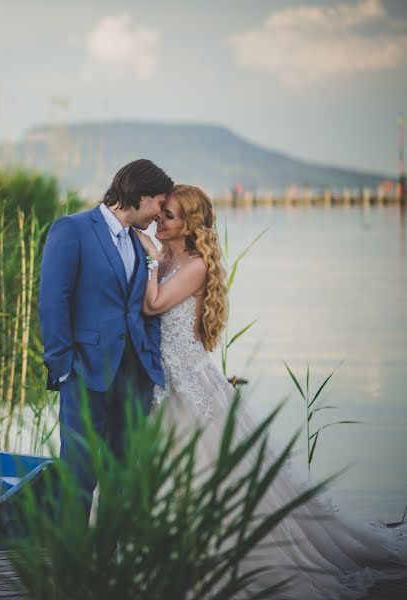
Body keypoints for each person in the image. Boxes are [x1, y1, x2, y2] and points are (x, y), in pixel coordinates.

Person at [135, 183, 407, 598]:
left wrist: (151, 258)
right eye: (161, 212)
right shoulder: (165, 253)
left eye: (168, 215)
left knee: (208, 475)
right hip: (163, 380)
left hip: (190, 384)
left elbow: (153, 306)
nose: (159, 218)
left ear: (188, 225)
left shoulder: (192, 264)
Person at [38, 158, 173, 517]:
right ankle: (71, 568)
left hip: (134, 380)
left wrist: (150, 363)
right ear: (142, 195)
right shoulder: (72, 230)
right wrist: (63, 368)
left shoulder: (140, 243)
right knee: (79, 474)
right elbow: (53, 303)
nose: (160, 215)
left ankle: (106, 566)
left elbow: (145, 309)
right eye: (159, 204)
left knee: (122, 478)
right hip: (85, 375)